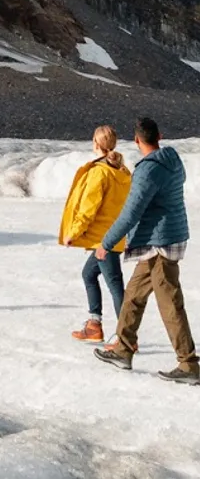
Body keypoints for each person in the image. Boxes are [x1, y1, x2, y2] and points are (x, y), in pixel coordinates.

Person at [93, 116, 198, 384]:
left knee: (170, 304)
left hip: (159, 243)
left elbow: (131, 213)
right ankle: (123, 350)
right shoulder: (171, 160)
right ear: (159, 136)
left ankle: (188, 364)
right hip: (166, 238)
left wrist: (106, 243)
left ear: (137, 140)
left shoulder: (148, 170)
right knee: (133, 296)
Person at [59, 125, 131, 343]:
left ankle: (126, 337)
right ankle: (94, 325)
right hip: (115, 235)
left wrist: (74, 232)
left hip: (103, 240)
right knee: (89, 275)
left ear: (96, 144)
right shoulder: (122, 171)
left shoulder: (99, 172)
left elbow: (88, 207)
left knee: (114, 284)